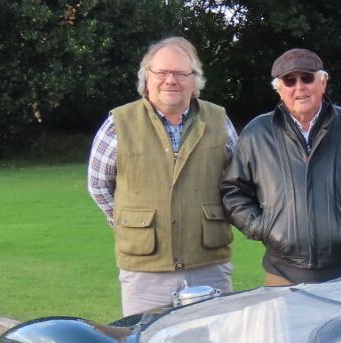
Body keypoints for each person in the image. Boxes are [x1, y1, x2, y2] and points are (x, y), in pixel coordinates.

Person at [87, 36, 237, 315]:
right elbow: (97, 184)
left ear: (195, 82)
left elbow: (237, 182)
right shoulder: (119, 123)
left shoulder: (219, 120)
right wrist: (129, 223)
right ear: (147, 79)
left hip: (209, 265)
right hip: (145, 271)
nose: (171, 80)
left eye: (181, 73)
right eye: (162, 73)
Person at [221, 48, 341, 285]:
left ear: (323, 82)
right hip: (283, 272)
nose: (299, 87)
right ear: (279, 89)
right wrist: (264, 227)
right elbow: (233, 191)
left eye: (307, 78)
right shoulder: (257, 133)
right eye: (289, 80)